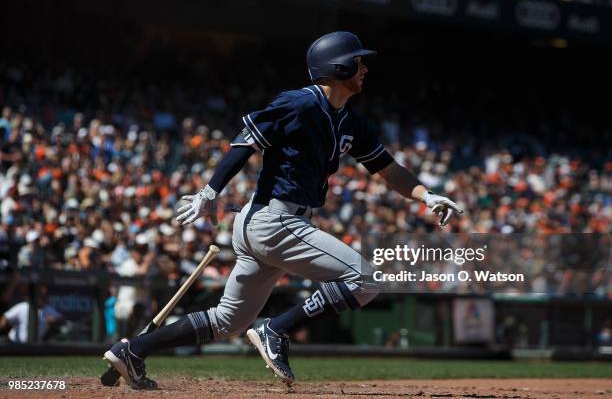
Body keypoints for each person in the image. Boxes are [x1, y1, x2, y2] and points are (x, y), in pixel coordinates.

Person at [103, 31, 462, 390]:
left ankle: (135, 349)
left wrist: (426, 196)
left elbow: (388, 169)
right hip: (274, 221)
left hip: (267, 223)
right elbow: (247, 140)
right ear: (337, 66)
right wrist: (210, 191)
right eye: (358, 60)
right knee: (365, 280)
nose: (364, 67)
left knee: (228, 322)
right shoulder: (299, 103)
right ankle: (276, 327)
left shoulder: (351, 120)